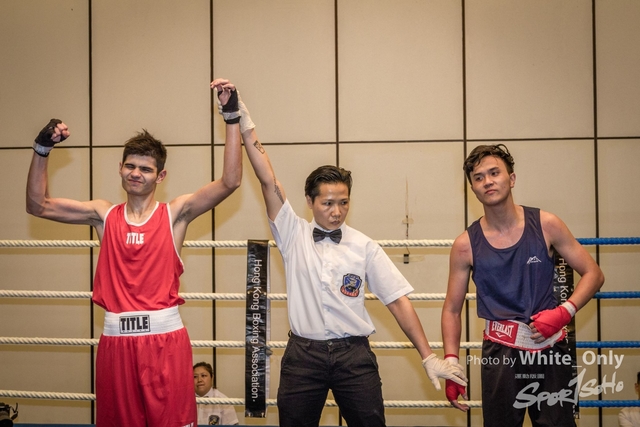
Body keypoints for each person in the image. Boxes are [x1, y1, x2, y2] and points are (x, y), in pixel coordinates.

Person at [215, 79, 467, 427]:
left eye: (344, 202)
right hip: (303, 356)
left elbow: (397, 301)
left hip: (354, 357)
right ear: (309, 201)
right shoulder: (292, 232)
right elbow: (268, 179)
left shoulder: (364, 245)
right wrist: (241, 118)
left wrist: (428, 357)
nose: (337, 211)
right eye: (328, 203)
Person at [25, 79, 242, 427]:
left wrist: (231, 116)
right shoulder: (103, 215)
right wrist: (41, 149)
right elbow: (38, 205)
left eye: (145, 169)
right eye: (130, 166)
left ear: (160, 176)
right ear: (120, 168)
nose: (136, 173)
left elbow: (229, 181)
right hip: (115, 343)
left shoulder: (174, 214)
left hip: (164, 342)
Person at [441, 144, 605, 426]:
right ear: (473, 189)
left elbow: (593, 273)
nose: (488, 181)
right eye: (479, 177)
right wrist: (452, 364)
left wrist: (564, 312)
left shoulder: (546, 224)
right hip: (500, 354)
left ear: (512, 178)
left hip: (550, 348)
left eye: (494, 173)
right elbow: (452, 309)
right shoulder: (465, 245)